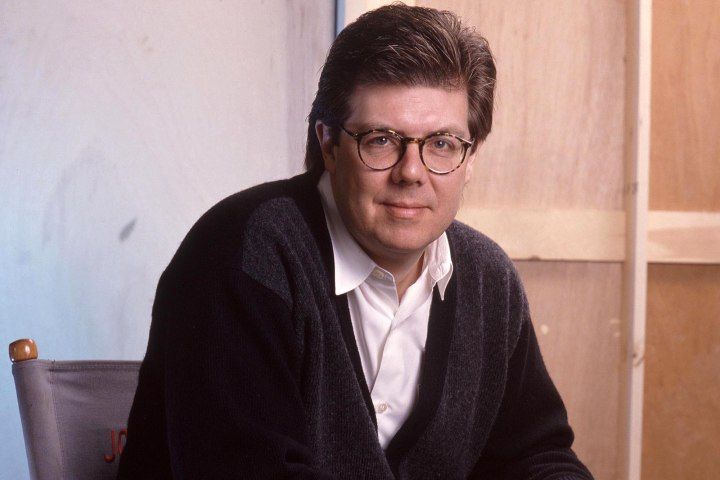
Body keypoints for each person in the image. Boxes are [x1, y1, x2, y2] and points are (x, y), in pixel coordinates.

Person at [118, 4, 593, 479]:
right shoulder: (241, 254)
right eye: (381, 140)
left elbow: (536, 456)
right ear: (329, 144)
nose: (412, 173)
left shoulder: (490, 280)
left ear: (470, 160)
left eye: (442, 144)